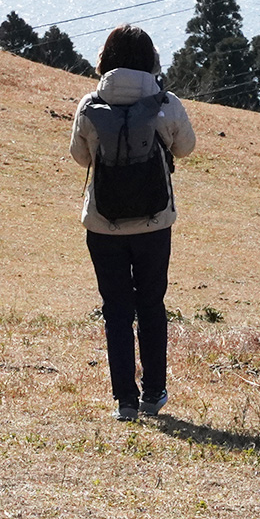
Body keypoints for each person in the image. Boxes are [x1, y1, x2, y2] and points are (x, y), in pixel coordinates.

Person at [69, 24, 196, 421]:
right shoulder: (166, 102)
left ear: (105, 59)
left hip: (103, 224)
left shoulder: (91, 105)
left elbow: (81, 158)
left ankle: (125, 399)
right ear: (150, 60)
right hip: (155, 222)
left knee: (116, 310)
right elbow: (186, 148)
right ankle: (154, 393)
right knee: (152, 304)